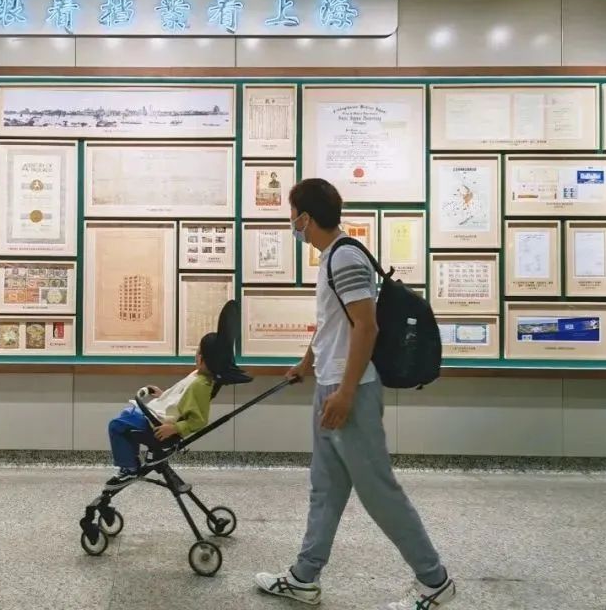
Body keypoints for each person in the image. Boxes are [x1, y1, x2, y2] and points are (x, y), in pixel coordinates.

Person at [254, 178, 455, 609]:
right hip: (332, 384)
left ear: (306, 218)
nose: (292, 224)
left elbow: (367, 326)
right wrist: (307, 363)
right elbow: (334, 323)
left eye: (292, 215)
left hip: (352, 391)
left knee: (379, 491)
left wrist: (345, 394)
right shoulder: (333, 256)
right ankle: (304, 577)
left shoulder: (344, 257)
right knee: (325, 489)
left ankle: (434, 580)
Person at [104, 332, 226, 489]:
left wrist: (174, 428)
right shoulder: (198, 375)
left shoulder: (201, 385)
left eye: (197, 351)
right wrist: (164, 396)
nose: (196, 355)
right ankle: (132, 461)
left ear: (202, 358)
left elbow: (199, 420)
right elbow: (180, 398)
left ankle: (129, 469)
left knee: (116, 426)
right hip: (158, 417)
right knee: (127, 414)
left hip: (160, 427)